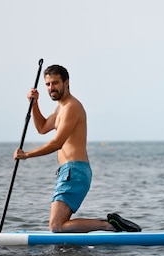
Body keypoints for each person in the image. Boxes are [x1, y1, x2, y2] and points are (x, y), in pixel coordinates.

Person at [14, 64, 141, 233]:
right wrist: (34, 103)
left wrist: (27, 155)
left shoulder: (72, 107)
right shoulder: (60, 108)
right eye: (48, 84)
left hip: (74, 171)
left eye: (56, 83)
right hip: (69, 172)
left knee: (56, 225)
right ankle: (109, 224)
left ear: (66, 82)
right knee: (58, 225)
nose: (51, 88)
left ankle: (109, 225)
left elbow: (57, 143)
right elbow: (42, 127)